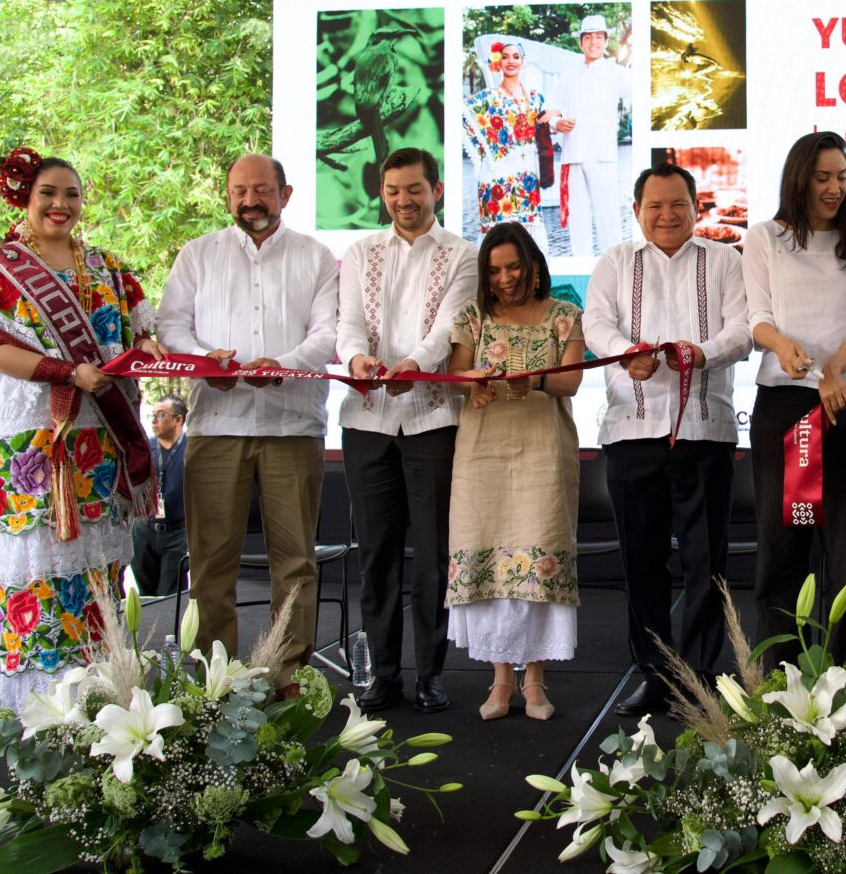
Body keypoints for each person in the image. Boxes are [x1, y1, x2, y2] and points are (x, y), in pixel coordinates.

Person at [0, 148, 161, 707]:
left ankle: (100, 695)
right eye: (48, 193)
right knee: (35, 554)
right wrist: (66, 371)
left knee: (94, 562)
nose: (60, 204)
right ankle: (35, 703)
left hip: (97, 432)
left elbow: (138, 332)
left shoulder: (108, 268)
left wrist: (146, 345)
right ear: (25, 196)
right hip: (24, 436)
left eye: (72, 194)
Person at [157, 153, 339, 696]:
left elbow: (327, 333)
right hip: (216, 424)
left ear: (286, 194)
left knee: (295, 563)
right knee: (211, 564)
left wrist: (284, 366)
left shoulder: (315, 256)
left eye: (261, 189)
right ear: (228, 195)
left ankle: (287, 677)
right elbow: (171, 326)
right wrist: (203, 360)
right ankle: (215, 682)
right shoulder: (198, 254)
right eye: (239, 191)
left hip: (293, 425)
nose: (249, 200)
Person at [584, 161, 752, 717]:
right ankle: (655, 674)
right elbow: (595, 324)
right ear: (637, 211)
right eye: (654, 205)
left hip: (704, 430)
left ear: (696, 207)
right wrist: (624, 354)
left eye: (678, 204)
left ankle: (701, 675)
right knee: (642, 561)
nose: (667, 215)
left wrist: (704, 353)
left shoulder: (725, 260)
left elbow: (743, 330)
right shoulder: (614, 262)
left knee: (706, 561)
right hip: (631, 431)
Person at [337, 148, 476, 713]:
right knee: (376, 553)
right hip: (366, 419)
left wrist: (414, 366)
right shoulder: (360, 252)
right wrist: (356, 360)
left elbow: (450, 327)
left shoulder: (462, 253)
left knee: (435, 553)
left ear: (435, 190)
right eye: (393, 190)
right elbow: (348, 322)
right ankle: (385, 675)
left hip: (433, 419)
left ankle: (431, 675)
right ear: (383, 192)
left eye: (414, 189)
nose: (403, 200)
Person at [744, 131, 846, 666]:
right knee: (785, 547)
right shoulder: (766, 237)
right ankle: (779, 677)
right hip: (786, 408)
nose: (834, 188)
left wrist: (834, 369)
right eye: (823, 177)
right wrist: (782, 346)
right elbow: (758, 316)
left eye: (842, 177)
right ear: (799, 180)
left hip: (845, 405)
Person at [444, 223, 586, 720]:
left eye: (513, 267)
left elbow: (572, 380)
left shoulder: (565, 314)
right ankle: (501, 680)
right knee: (488, 549)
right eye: (494, 270)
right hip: (482, 453)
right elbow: (455, 375)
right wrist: (474, 383)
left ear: (533, 265)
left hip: (543, 452)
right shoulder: (472, 316)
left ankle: (537, 681)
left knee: (540, 551)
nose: (504, 278)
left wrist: (537, 381)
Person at [462, 40, 563, 252]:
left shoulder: (535, 98)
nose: (511, 61)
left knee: (528, 232)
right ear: (498, 62)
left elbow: (546, 122)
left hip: (527, 174)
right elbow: (463, 113)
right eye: (505, 57)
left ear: (522, 62)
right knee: (497, 233)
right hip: (496, 173)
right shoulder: (489, 97)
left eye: (516, 57)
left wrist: (554, 116)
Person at [554, 14, 630, 256]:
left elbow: (640, 98)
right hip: (573, 155)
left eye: (598, 37)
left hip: (603, 155)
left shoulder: (616, 72)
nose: (593, 42)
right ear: (581, 43)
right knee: (578, 222)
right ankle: (581, 268)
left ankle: (616, 269)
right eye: (588, 37)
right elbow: (551, 108)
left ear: (606, 41)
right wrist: (557, 122)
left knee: (608, 218)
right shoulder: (568, 75)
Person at [132, 394, 188, 597]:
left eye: (161, 415)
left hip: (177, 532)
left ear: (178, 419)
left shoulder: (191, 449)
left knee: (170, 595)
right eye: (152, 415)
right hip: (144, 529)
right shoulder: (146, 448)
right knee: (146, 595)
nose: (154, 420)